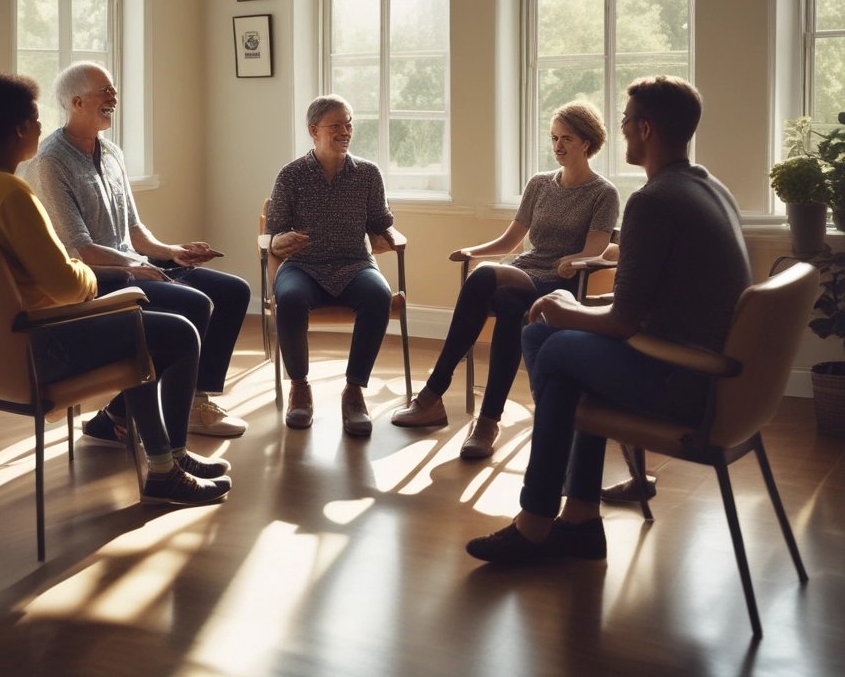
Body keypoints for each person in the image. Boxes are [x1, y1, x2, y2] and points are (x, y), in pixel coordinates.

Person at [466, 76, 751, 566]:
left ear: (645, 128)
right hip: (717, 377)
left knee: (552, 347)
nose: (621, 130)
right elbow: (650, 301)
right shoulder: (709, 187)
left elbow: (623, 323)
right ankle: (576, 517)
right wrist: (575, 308)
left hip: (687, 383)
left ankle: (540, 518)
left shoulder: (653, 201)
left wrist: (567, 309)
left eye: (625, 121)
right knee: (553, 346)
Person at [0, 73, 231, 506]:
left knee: (142, 328)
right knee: (176, 333)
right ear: (20, 128)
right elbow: (65, 285)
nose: (41, 126)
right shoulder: (14, 195)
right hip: (41, 343)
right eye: (35, 119)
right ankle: (167, 464)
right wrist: (122, 277)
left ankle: (164, 462)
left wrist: (124, 270)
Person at [25, 62, 251, 442]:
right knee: (195, 304)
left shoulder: (112, 152)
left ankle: (192, 402)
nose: (113, 97)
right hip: (99, 279)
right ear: (77, 102)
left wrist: (172, 251)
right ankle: (128, 414)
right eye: (105, 90)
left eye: (113, 89)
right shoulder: (49, 163)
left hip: (134, 266)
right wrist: (136, 265)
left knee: (234, 291)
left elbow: (134, 228)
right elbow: (81, 249)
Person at [392, 102, 619, 459]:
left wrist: (573, 261)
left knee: (485, 275)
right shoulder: (539, 183)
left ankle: (432, 395)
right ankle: (487, 422)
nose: (558, 146)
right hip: (525, 273)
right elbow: (511, 241)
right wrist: (473, 250)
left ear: (587, 143)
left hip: (559, 285)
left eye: (567, 139)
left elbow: (597, 248)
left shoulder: (603, 193)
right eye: (554, 138)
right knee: (510, 305)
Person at [265, 94, 395, 435]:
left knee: (379, 295)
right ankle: (299, 388)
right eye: (336, 125)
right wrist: (279, 242)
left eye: (349, 124)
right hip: (303, 265)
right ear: (314, 130)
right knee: (289, 299)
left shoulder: (368, 173)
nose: (345, 131)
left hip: (354, 263)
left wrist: (389, 237)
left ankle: (354, 391)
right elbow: (272, 234)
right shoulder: (291, 175)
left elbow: (382, 223)